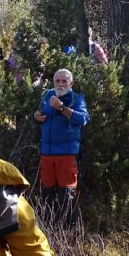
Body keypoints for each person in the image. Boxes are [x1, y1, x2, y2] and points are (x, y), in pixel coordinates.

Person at [32, 68, 89, 227]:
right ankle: (47, 229)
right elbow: (39, 113)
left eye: (64, 81)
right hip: (46, 154)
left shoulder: (76, 98)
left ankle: (69, 233)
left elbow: (83, 119)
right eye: (57, 81)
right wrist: (36, 117)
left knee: (67, 195)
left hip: (67, 154)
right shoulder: (48, 95)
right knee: (46, 194)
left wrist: (62, 108)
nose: (60, 84)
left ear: (71, 83)